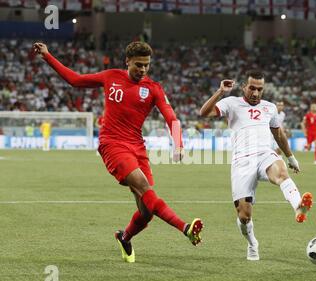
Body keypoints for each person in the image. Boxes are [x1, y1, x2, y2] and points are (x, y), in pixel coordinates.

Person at [33, 41, 204, 263]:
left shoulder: (154, 88)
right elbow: (74, 80)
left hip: (138, 148)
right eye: (138, 65)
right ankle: (185, 228)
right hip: (112, 144)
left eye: (146, 65)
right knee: (144, 187)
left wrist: (178, 143)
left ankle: (124, 237)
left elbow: (171, 117)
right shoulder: (111, 76)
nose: (142, 69)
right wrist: (47, 56)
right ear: (127, 62)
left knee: (146, 212)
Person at [199, 71, 313, 261]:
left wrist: (291, 157)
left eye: (260, 89)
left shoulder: (270, 108)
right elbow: (204, 113)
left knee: (282, 173)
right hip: (242, 161)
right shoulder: (232, 103)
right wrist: (220, 92)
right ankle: (252, 243)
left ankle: (298, 207)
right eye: (252, 88)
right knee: (244, 216)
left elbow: (278, 135)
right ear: (244, 86)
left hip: (264, 154)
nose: (256, 93)